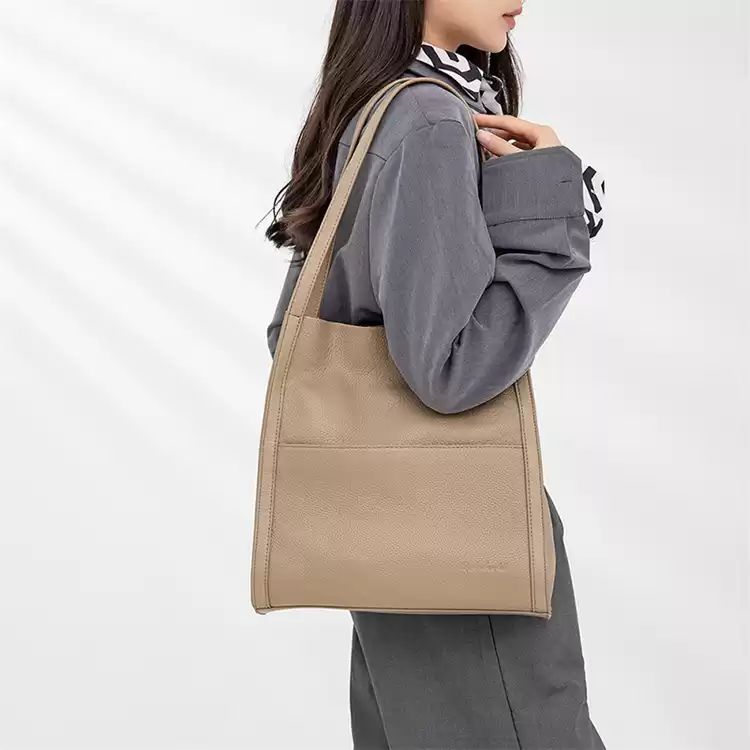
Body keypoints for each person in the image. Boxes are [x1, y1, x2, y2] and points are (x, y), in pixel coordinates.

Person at [261, 1, 607, 747]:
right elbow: (451, 366)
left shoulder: (378, 106)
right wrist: (557, 204)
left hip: (388, 537)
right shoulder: (428, 120)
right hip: (465, 540)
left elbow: (291, 335)